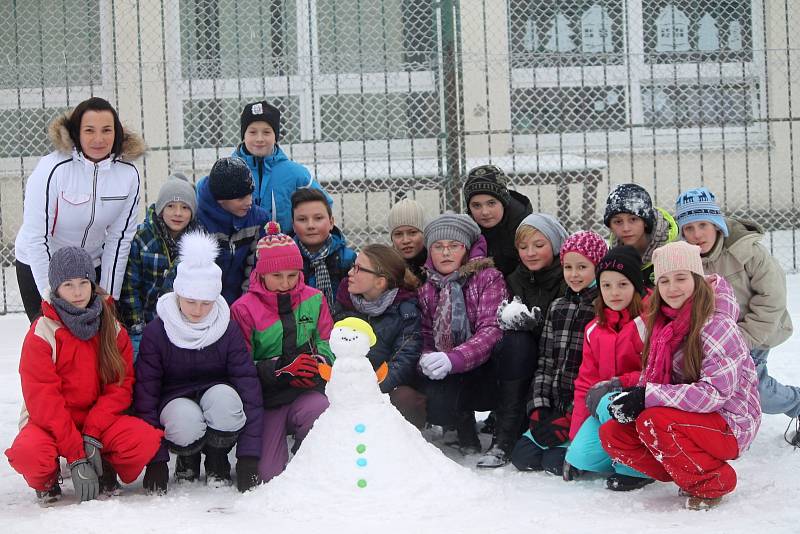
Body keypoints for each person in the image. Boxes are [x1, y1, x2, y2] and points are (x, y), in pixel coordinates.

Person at [600, 241, 761, 510]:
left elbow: (714, 394)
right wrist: (635, 396)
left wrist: (648, 396)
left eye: (681, 278)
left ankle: (713, 481)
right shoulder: (663, 324)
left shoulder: (717, 325)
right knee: (613, 433)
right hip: (691, 417)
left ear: (697, 279)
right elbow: (652, 378)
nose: (672, 288)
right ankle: (684, 472)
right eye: (664, 281)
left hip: (731, 422)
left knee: (654, 420)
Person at [5, 247, 162, 506]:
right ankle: (48, 479)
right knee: (28, 454)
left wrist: (91, 435)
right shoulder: (42, 332)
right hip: (51, 421)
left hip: (98, 420)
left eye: (83, 283)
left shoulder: (110, 327)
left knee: (143, 440)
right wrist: (76, 455)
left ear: (92, 284)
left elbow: (120, 387)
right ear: (56, 288)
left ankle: (104, 467)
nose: (77, 292)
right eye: (68, 284)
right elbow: (44, 400)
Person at [134, 231, 263, 494]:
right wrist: (155, 460)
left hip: (216, 397)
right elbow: (145, 395)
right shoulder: (158, 331)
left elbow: (249, 388)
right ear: (178, 294)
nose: (197, 310)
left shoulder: (226, 328)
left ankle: (217, 457)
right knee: (184, 419)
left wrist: (249, 455)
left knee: (227, 402)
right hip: (174, 401)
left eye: (206, 303)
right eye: (190, 301)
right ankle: (187, 457)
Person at [675, 187, 797, 444]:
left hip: (755, 331)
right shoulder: (685, 259)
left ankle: (797, 403)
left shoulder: (747, 252)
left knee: (757, 390)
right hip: (714, 339)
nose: (696, 235)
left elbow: (772, 298)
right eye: (688, 228)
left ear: (716, 224)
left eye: (703, 225)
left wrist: (744, 336)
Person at [14, 97, 145, 322]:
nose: (98, 139)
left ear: (117, 133)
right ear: (77, 133)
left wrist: (108, 295)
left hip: (89, 266)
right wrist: (51, 296)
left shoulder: (128, 175)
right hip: (41, 262)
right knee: (52, 340)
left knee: (92, 343)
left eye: (106, 130)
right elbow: (37, 237)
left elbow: (119, 238)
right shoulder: (52, 169)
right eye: (89, 130)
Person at [231, 222, 334, 483]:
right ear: (261, 273)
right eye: (277, 276)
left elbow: (327, 341)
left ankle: (308, 458)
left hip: (305, 391)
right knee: (268, 475)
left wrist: (318, 364)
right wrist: (278, 368)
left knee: (321, 409)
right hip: (267, 399)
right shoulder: (244, 309)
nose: (286, 283)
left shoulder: (315, 298)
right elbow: (239, 362)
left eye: (292, 275)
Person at [414, 214, 512, 465]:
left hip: (485, 369)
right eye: (438, 246)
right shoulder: (426, 288)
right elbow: (425, 333)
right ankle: (460, 425)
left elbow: (492, 328)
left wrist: (454, 358)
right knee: (435, 401)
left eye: (454, 246)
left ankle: (504, 429)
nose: (445, 253)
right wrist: (426, 357)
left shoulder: (488, 278)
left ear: (466, 249)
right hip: (450, 369)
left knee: (511, 350)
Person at [511, 231, 607, 477]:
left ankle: (580, 448)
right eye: (568, 267)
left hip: (579, 411)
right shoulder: (558, 307)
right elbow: (545, 362)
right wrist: (539, 409)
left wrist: (569, 417)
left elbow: (596, 375)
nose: (574, 274)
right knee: (522, 457)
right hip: (553, 405)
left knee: (555, 463)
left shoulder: (602, 309)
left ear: (597, 267)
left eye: (582, 267)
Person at [563, 245, 650, 490]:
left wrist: (620, 383)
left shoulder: (649, 323)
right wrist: (575, 438)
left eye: (622, 284)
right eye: (606, 285)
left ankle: (637, 464)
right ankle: (619, 453)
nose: (614, 293)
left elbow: (658, 373)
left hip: (639, 404)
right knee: (580, 457)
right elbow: (585, 384)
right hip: (605, 407)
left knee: (606, 401)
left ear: (635, 285)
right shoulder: (595, 328)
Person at [332, 244, 424, 427]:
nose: (350, 272)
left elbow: (403, 360)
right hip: (348, 385)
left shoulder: (406, 311)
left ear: (379, 282)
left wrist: (370, 387)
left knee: (407, 400)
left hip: (384, 387)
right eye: (352, 265)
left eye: (358, 268)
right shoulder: (345, 301)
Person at [119, 174, 198, 357]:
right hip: (145, 322)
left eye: (185, 208)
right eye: (171, 206)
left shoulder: (197, 241)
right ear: (161, 208)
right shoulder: (142, 238)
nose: (178, 213)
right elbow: (130, 286)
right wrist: (136, 324)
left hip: (181, 323)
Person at [233, 100, 332, 231]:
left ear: (276, 136)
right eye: (252, 132)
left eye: (267, 132)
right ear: (243, 135)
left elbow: (324, 205)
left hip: (286, 248)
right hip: (239, 248)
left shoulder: (295, 174)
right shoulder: (228, 171)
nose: (259, 139)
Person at [196, 156, 270, 304]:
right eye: (241, 198)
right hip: (206, 302)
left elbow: (255, 268)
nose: (249, 202)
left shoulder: (258, 219)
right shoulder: (199, 221)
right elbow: (198, 275)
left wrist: (244, 304)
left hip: (244, 300)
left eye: (250, 194)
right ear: (220, 199)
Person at [291, 187, 356, 312]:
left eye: (318, 218)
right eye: (302, 219)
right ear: (293, 225)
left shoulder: (347, 259)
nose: (311, 225)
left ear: (331, 222)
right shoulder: (287, 260)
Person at [463, 165, 533, 277]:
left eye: (491, 203)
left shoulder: (526, 228)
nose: (485, 212)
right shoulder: (464, 232)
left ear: (503, 202)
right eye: (476, 205)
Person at [603, 183, 677, 288]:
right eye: (618, 221)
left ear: (646, 222)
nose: (626, 228)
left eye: (633, 219)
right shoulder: (611, 256)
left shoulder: (672, 250)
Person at [387, 197, 428, 283]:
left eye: (412, 232)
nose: (405, 240)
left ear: (424, 234)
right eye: (398, 234)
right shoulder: (384, 270)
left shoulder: (438, 267)